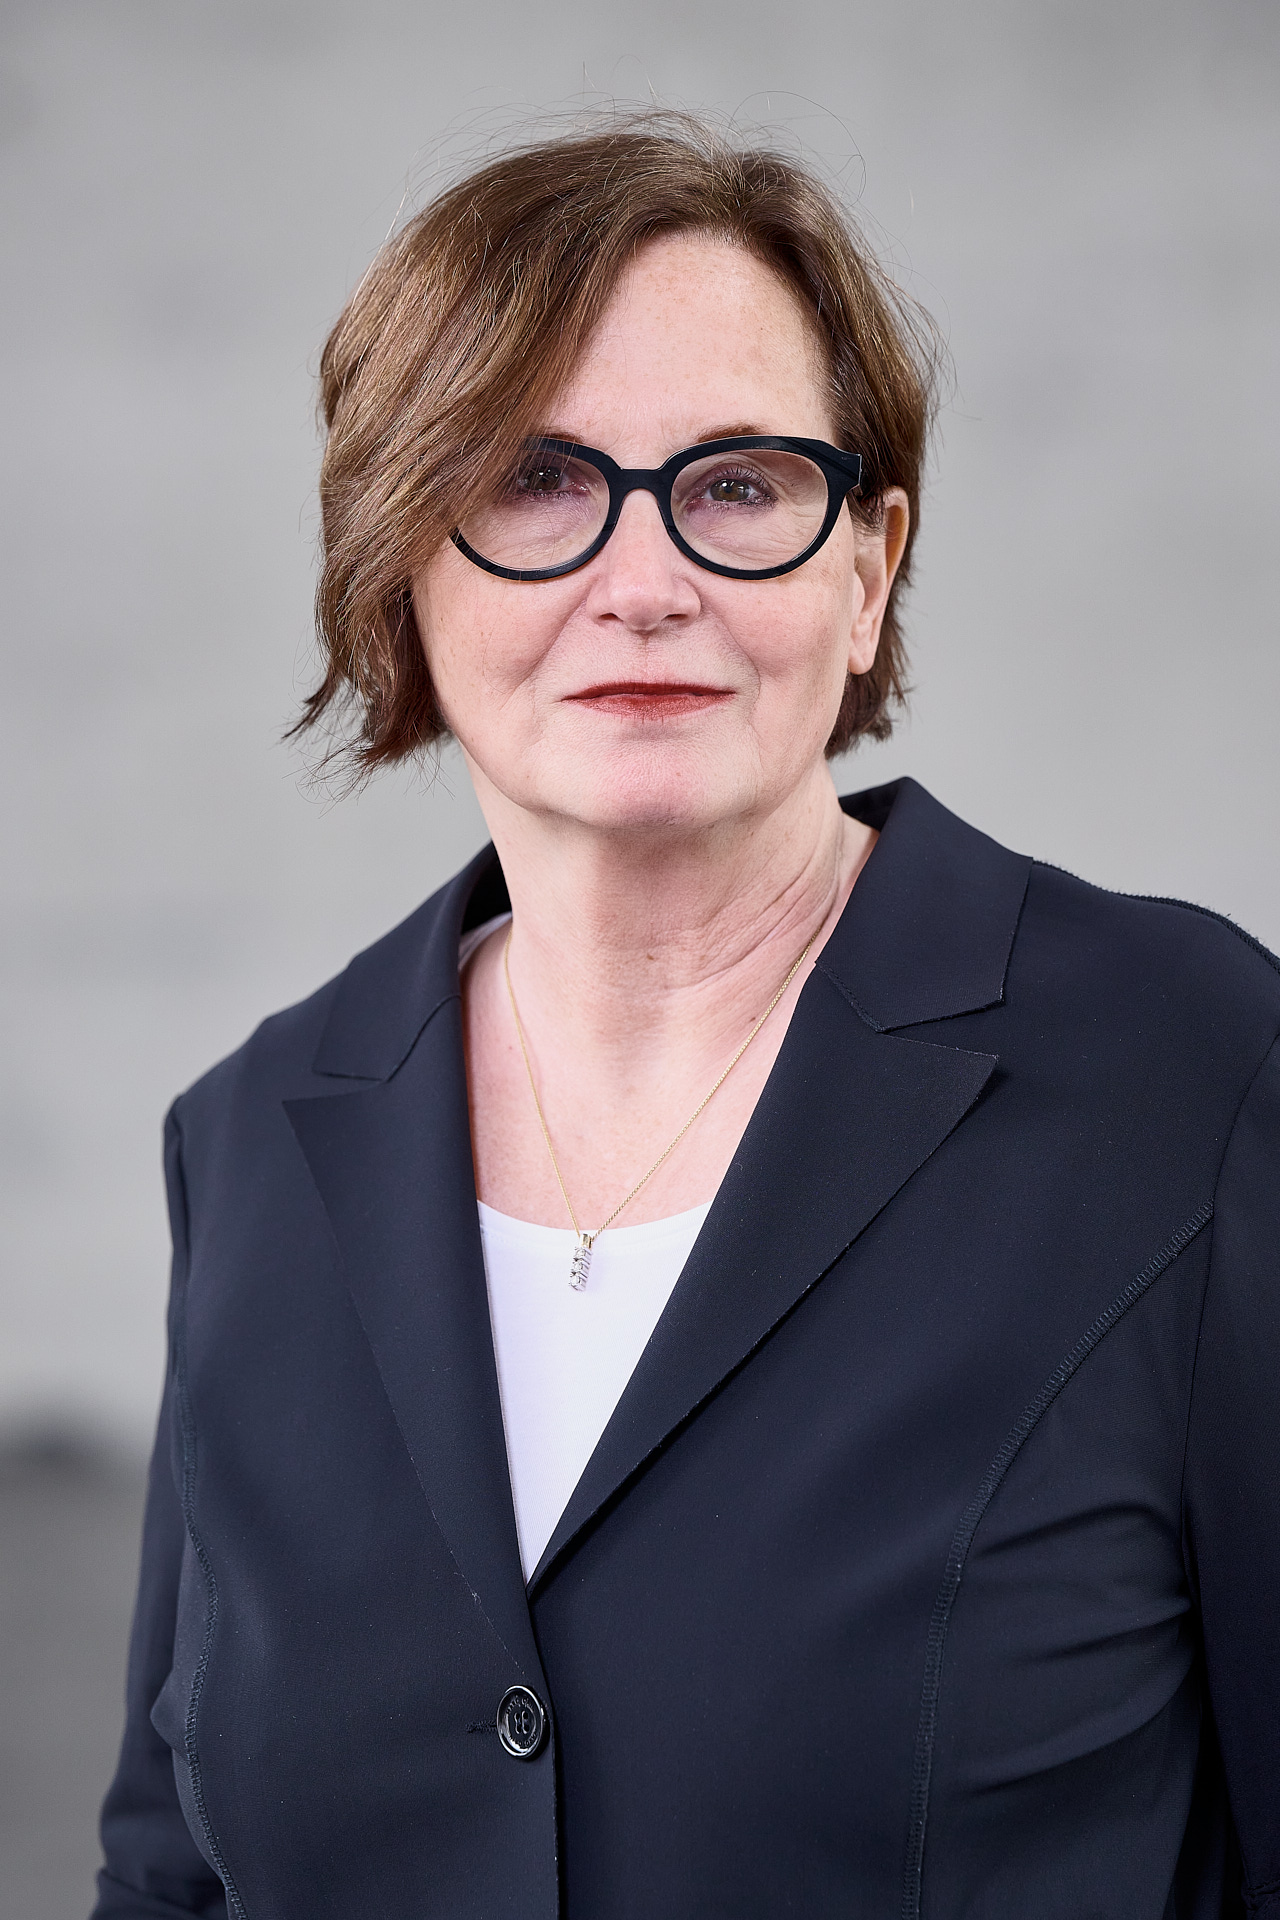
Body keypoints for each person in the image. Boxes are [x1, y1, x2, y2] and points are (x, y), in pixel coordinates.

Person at [92, 114, 1280, 1920]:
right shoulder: (251, 1139)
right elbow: (171, 1875)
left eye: (735, 485)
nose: (643, 583)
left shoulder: (1187, 1073)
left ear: (866, 570)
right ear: (401, 567)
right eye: (533, 478)